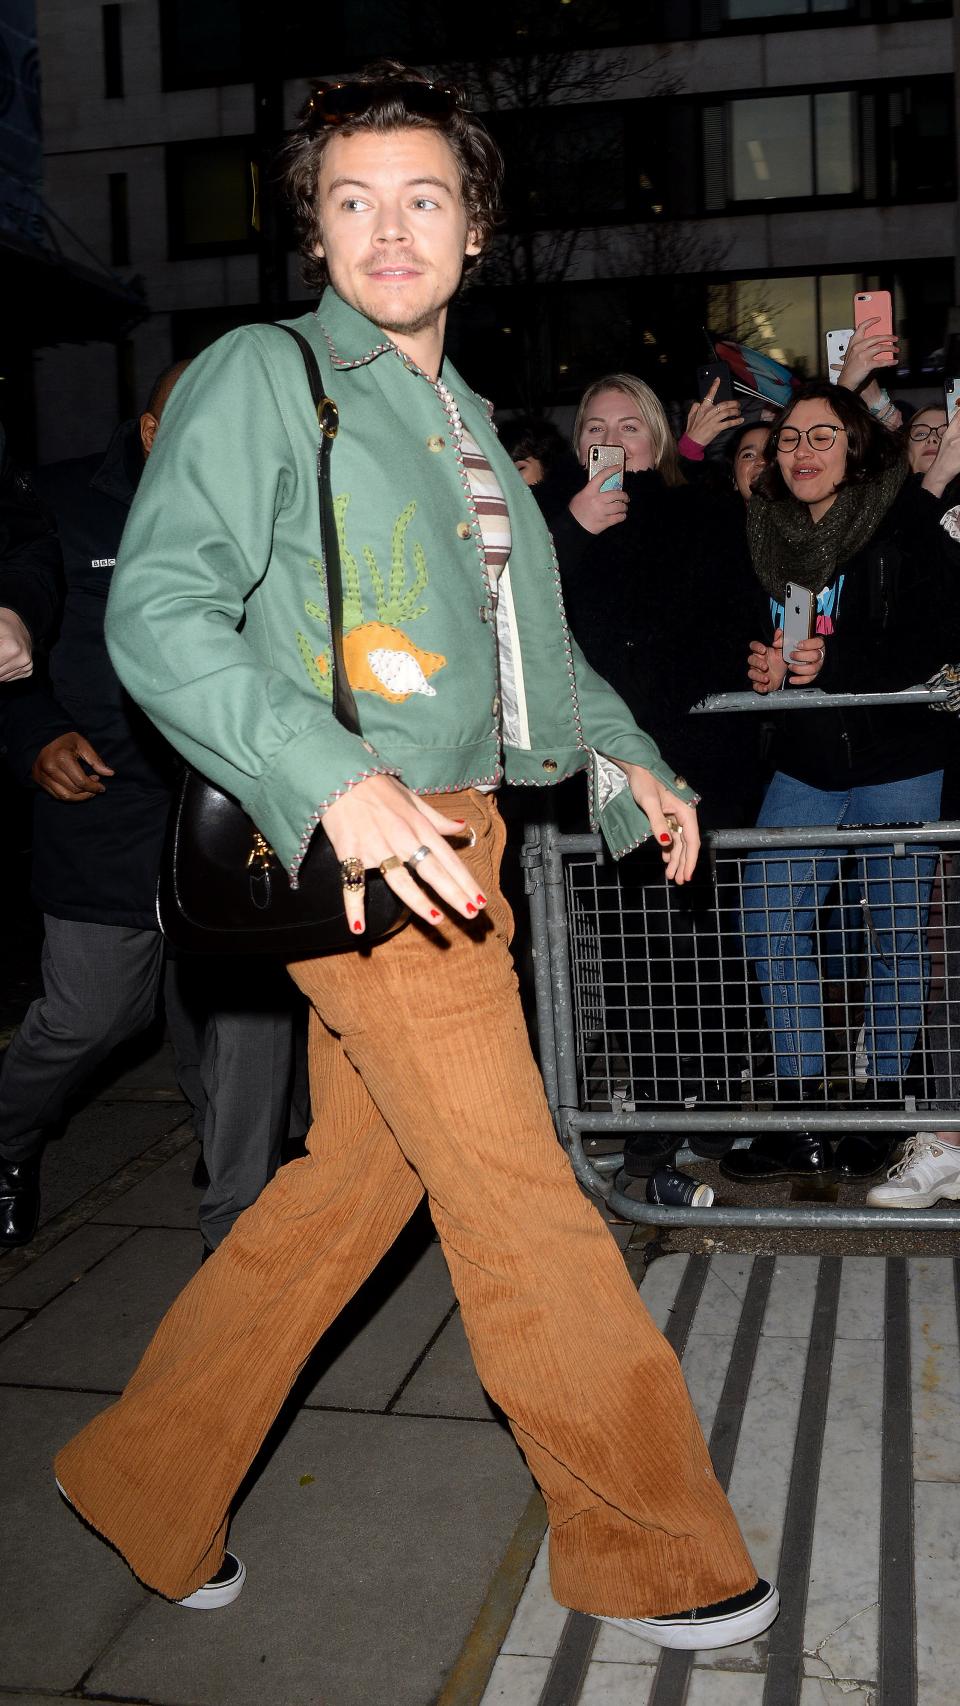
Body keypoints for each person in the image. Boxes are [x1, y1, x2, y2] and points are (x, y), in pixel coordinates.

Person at [53, 65, 778, 1649]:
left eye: (425, 197)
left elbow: (538, 662)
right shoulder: (269, 375)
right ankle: (654, 1542)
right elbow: (160, 608)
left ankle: (143, 1472)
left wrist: (630, 762)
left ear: (477, 226)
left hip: (467, 840)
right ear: (313, 228)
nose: (391, 229)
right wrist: (333, 778)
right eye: (354, 200)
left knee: (338, 1202)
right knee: (521, 1203)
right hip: (370, 853)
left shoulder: (462, 423)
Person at [0, 366, 306, 1253]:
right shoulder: (59, 504)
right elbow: (16, 636)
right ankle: (8, 1141)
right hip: (102, 798)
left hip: (231, 797)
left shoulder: (268, 504)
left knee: (250, 1014)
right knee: (90, 1015)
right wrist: (34, 738)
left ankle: (237, 1232)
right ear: (148, 431)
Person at [725, 383, 960, 1186]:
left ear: (855, 446)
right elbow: (775, 633)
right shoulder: (771, 530)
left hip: (900, 763)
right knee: (770, 923)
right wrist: (761, 667)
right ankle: (805, 1115)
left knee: (896, 941)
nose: (802, 453)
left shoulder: (897, 520)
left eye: (822, 437)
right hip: (808, 765)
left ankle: (881, 1113)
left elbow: (935, 632)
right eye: (790, 439)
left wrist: (841, 665)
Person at [546, 372, 768, 1145]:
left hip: (691, 762)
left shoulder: (698, 510)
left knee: (697, 934)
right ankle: (651, 1105)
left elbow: (734, 622)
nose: (610, 438)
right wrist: (573, 529)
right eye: (595, 428)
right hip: (601, 770)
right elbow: (525, 628)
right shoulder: (552, 524)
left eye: (629, 426)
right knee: (623, 942)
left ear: (658, 441)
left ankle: (707, 1100)